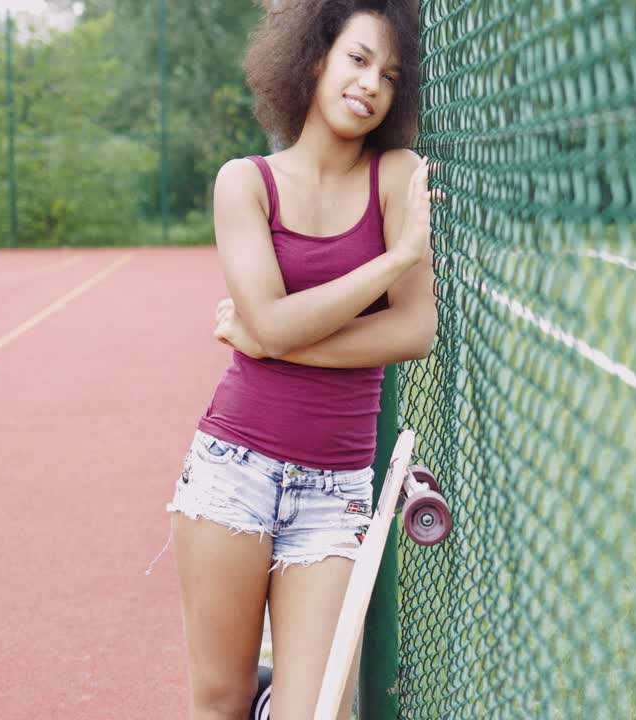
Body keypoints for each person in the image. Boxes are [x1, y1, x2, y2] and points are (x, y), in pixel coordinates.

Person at [151, 0, 437, 718]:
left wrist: (273, 338)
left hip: (335, 489)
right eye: (358, 60)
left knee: (317, 713)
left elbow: (413, 331)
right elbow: (271, 323)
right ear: (313, 60)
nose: (371, 84)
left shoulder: (396, 175)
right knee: (220, 700)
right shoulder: (244, 182)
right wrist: (393, 259)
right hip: (233, 473)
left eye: (390, 75)